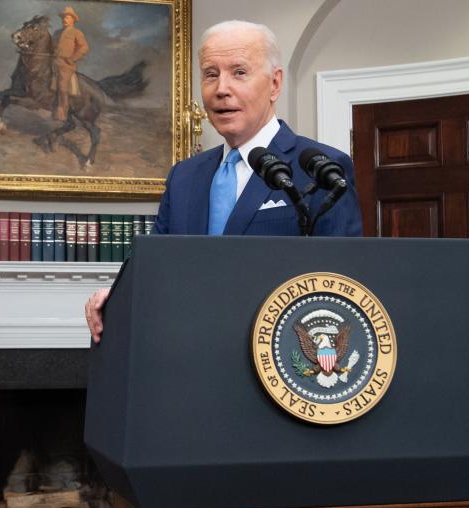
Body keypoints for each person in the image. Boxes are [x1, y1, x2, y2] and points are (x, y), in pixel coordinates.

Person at [84, 20, 363, 342]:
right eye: (211, 74)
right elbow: (153, 266)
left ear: (275, 84)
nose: (221, 89)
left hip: (280, 358)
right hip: (191, 350)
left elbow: (343, 282)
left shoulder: (321, 168)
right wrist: (114, 297)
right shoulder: (184, 176)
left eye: (239, 72)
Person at [53, 6, 89, 121]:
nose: (64, 20)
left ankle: (62, 110)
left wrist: (72, 58)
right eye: (63, 18)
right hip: (53, 61)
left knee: (62, 85)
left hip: (66, 65)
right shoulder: (57, 33)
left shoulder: (76, 32)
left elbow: (84, 47)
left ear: (73, 20)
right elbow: (51, 46)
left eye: (68, 18)